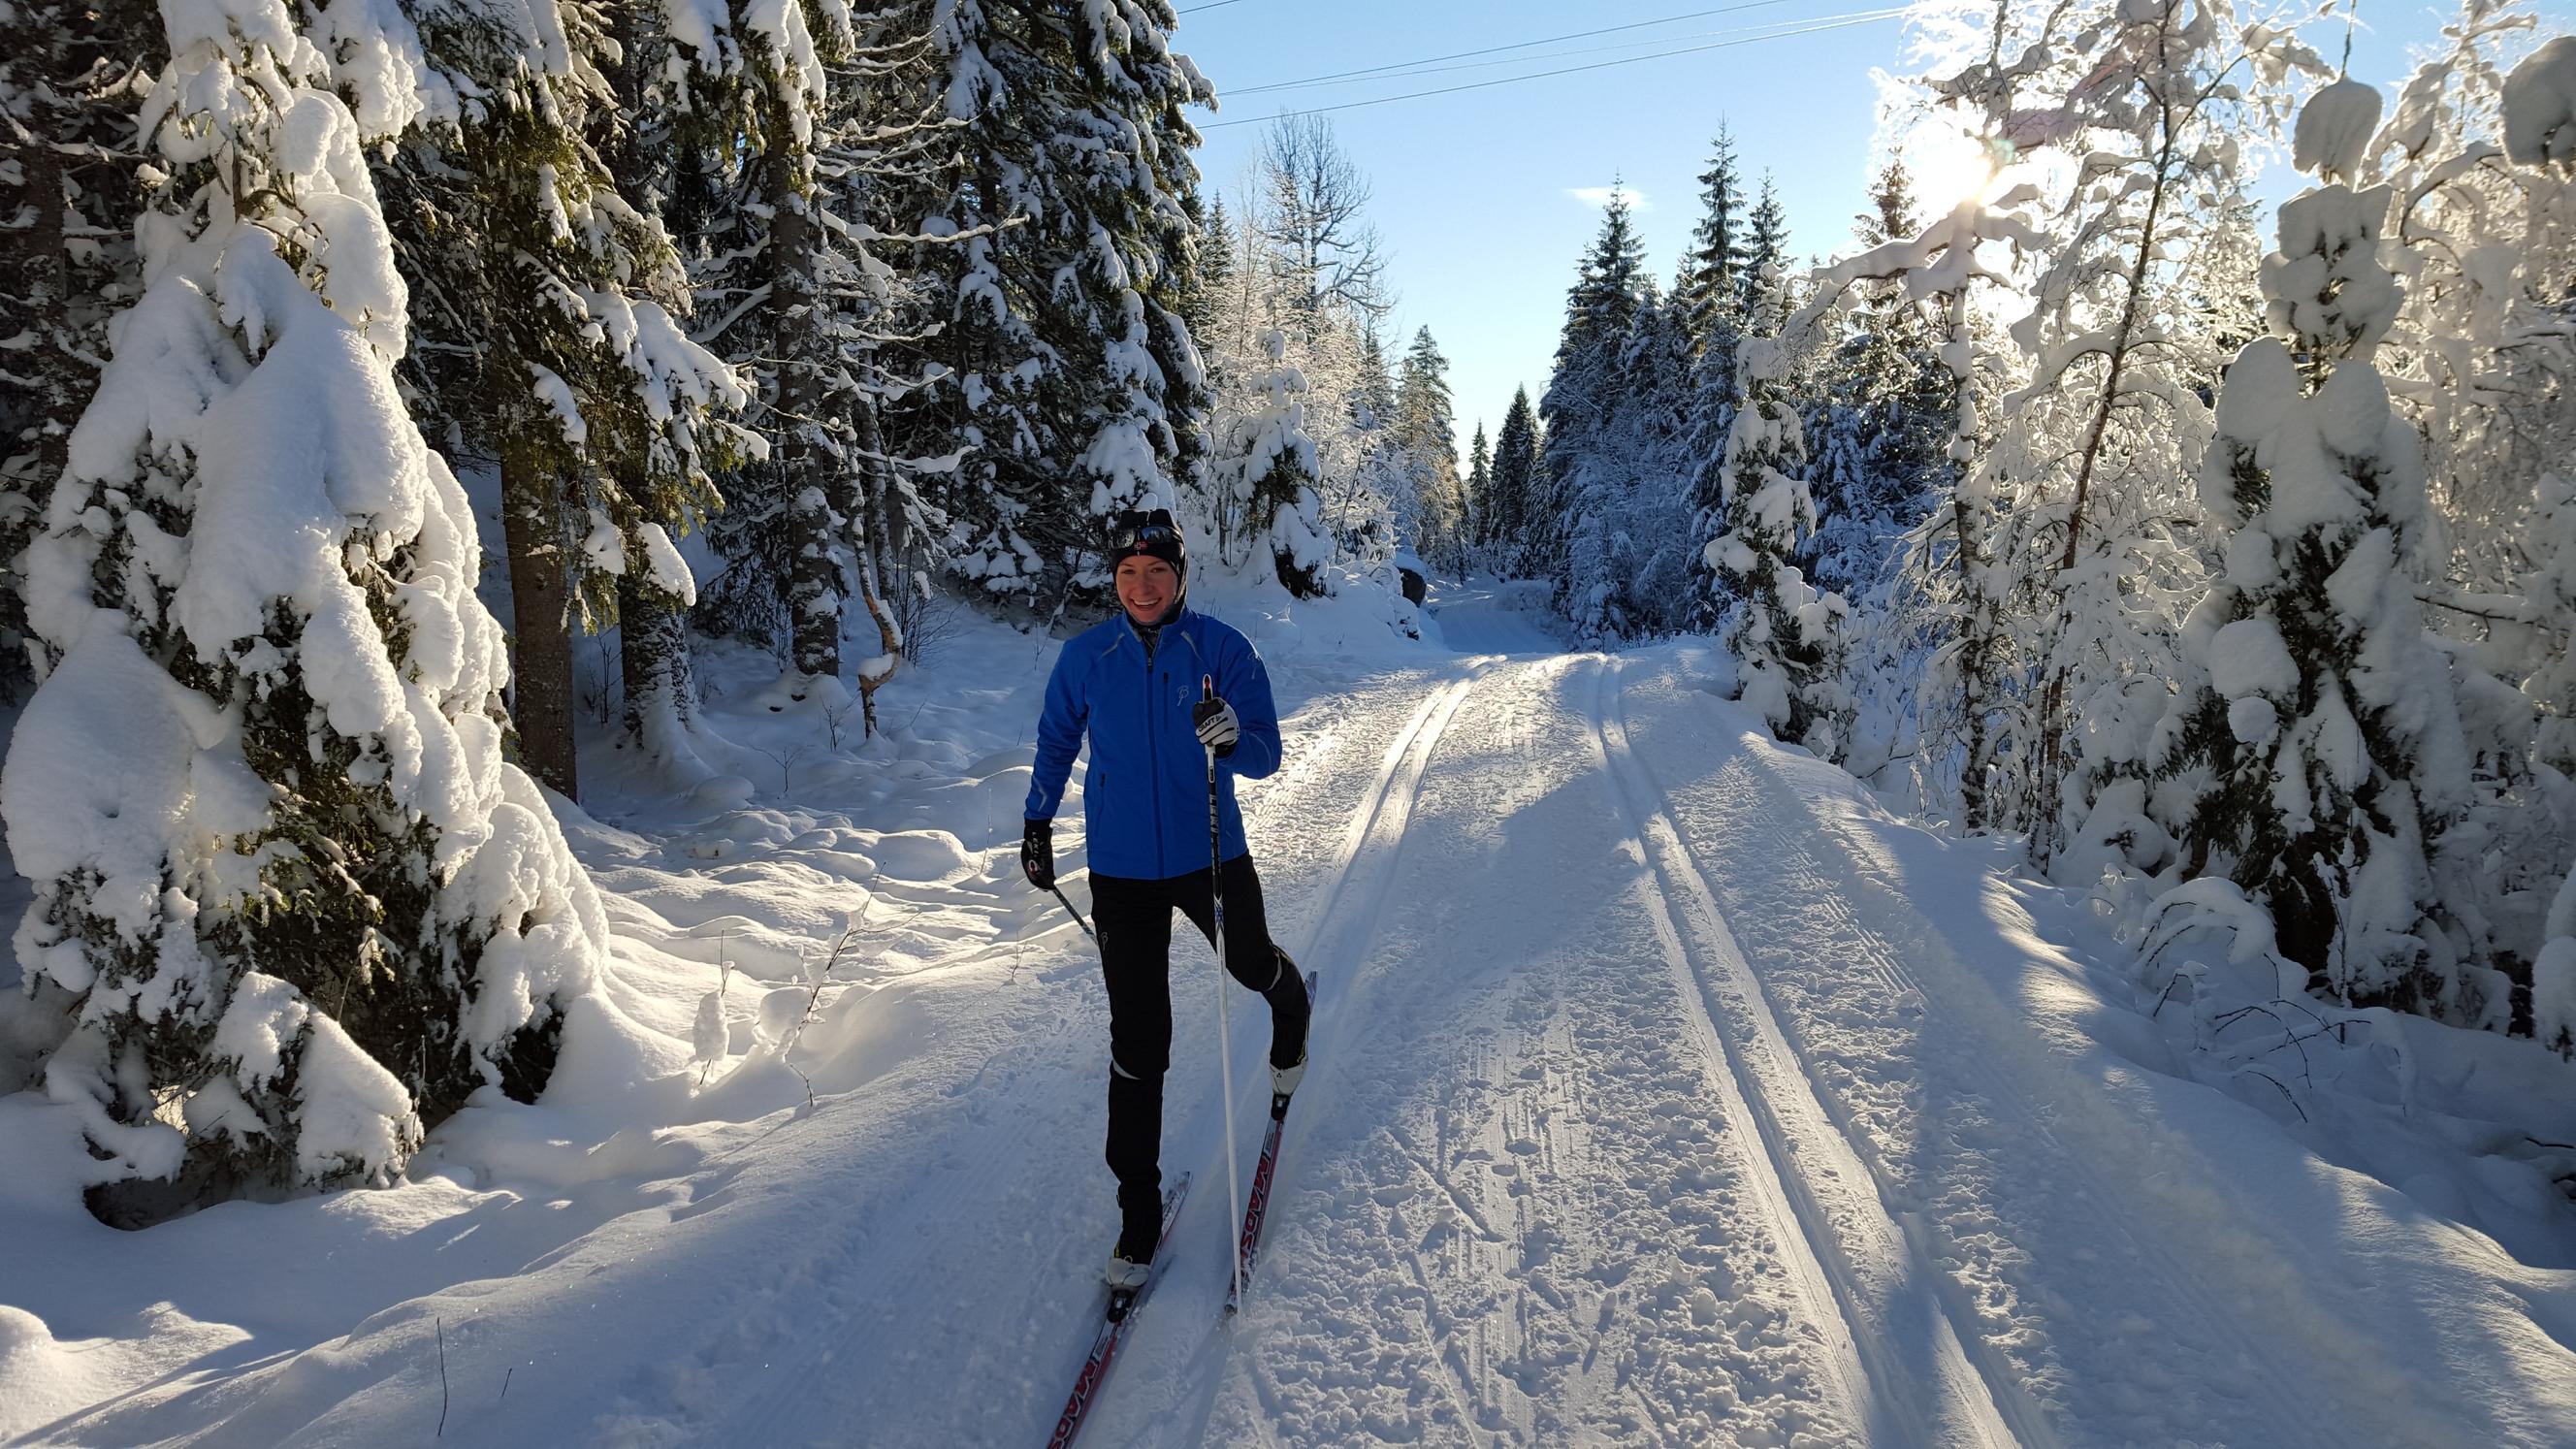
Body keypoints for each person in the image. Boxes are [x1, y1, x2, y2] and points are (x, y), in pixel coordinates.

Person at [1021, 508, 1311, 1291]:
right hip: (1120, 870)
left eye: (1157, 572)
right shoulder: (1090, 655)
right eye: (1127, 573)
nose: (1142, 587)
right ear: (1113, 579)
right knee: (1139, 1038)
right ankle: (1138, 1214)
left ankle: (1292, 1008)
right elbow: (1056, 738)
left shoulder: (1220, 649)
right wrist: (1038, 820)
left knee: (1250, 962)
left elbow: (1266, 752)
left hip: (1209, 853)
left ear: (1180, 576)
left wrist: (1229, 737)